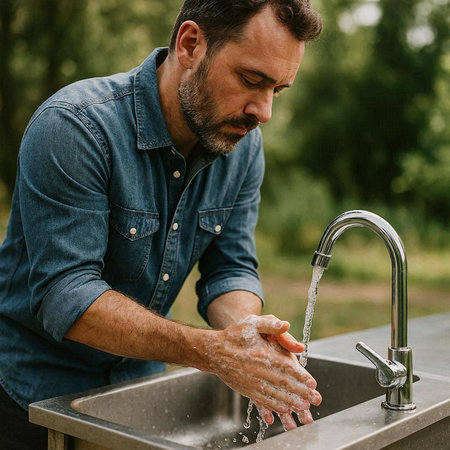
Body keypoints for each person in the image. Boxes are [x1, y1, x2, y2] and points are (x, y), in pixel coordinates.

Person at [0, 0, 323, 448]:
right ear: (190, 44)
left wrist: (250, 337)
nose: (263, 112)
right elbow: (66, 294)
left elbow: (230, 267)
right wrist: (210, 351)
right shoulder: (74, 128)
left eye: (277, 90)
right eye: (252, 81)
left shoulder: (242, 148)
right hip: (30, 401)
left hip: (137, 395)